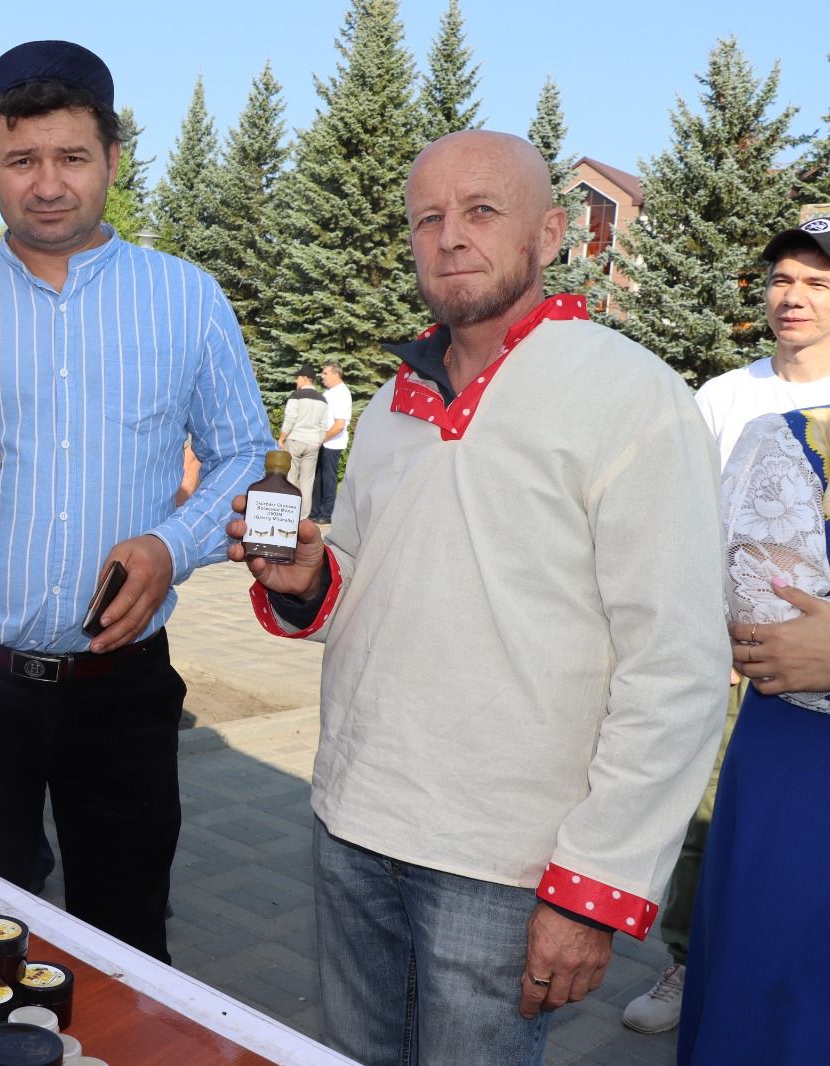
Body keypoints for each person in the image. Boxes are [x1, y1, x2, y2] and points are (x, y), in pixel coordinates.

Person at [228, 130, 729, 1065]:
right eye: (429, 218)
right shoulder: (394, 403)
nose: (450, 236)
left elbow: (680, 667)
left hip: (504, 867)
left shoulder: (630, 398)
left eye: (481, 212)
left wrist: (594, 887)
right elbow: (360, 589)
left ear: (548, 236)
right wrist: (306, 584)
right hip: (352, 823)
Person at [0, 39, 268, 962]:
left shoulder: (186, 299)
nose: (47, 183)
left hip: (122, 687)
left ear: (113, 158)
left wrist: (172, 544)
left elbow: (242, 456)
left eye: (72, 157)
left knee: (127, 936)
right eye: (21, 158)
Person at [624, 219, 830, 1034]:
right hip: (719, 652)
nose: (794, 297)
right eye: (783, 279)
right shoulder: (724, 396)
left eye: (817, 283)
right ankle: (687, 961)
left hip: (807, 686)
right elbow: (682, 521)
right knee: (701, 814)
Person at [277, 366, 329, 518]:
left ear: (305, 378)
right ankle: (303, 518)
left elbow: (290, 419)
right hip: (313, 443)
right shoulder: (322, 399)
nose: (296, 380)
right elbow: (324, 425)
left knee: (291, 478)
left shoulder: (296, 396)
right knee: (307, 481)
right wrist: (318, 441)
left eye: (298, 377)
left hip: (295, 440)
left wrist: (281, 438)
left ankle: (288, 514)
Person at [307, 362, 351, 523]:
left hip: (332, 442)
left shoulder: (342, 394)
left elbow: (339, 425)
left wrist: (321, 439)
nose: (322, 376)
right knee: (318, 477)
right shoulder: (330, 392)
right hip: (322, 440)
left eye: (325, 373)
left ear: (335, 374)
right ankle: (315, 511)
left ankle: (326, 513)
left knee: (328, 478)